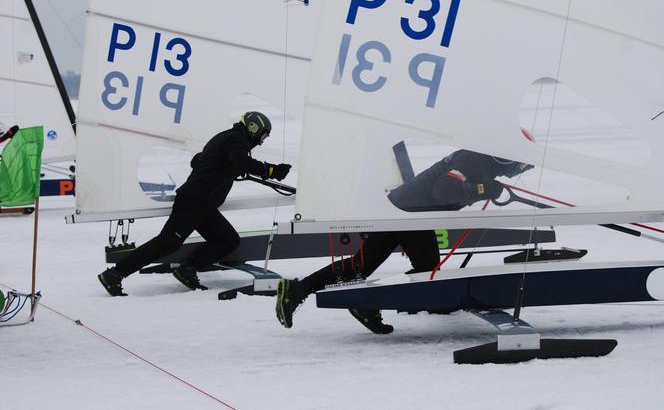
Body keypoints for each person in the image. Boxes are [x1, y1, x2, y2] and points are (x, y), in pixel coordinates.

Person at [276, 142, 534, 334]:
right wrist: (482, 190)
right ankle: (366, 300)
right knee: (427, 270)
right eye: (520, 166)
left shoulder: (480, 160)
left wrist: (482, 189)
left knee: (361, 266)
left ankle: (299, 290)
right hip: (410, 214)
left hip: (398, 208)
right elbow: (443, 192)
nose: (516, 172)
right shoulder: (475, 160)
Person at [98, 111, 291, 296]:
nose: (260, 141)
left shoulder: (226, 138)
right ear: (253, 128)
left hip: (203, 205)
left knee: (228, 240)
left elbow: (198, 160)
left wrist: (227, 168)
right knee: (166, 243)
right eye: (262, 136)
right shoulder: (235, 140)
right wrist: (270, 170)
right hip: (194, 201)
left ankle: (188, 270)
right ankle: (115, 274)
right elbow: (240, 162)